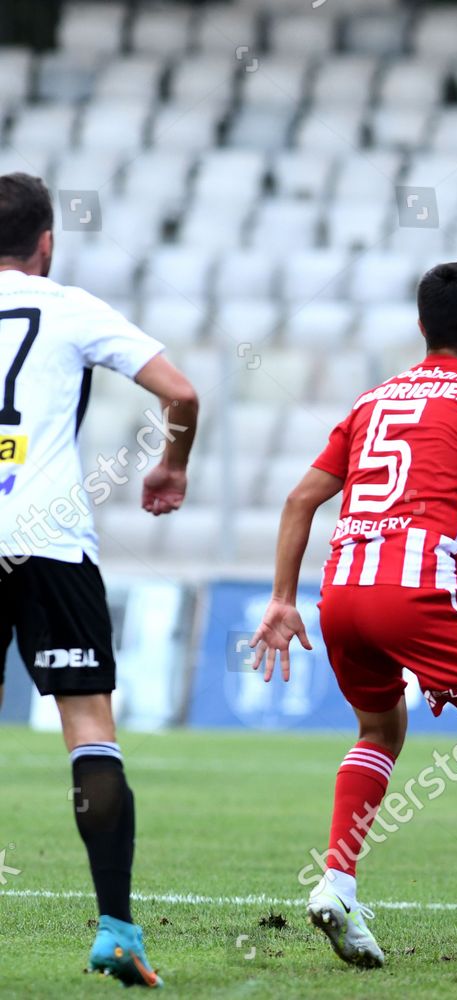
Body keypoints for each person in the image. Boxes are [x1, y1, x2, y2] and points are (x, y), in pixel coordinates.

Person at [249, 261, 457, 970]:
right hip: (418, 587)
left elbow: (298, 501)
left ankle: (336, 883)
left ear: (421, 327)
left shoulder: (372, 401)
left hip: (341, 591)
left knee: (379, 727)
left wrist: (282, 598)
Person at [0, 172, 199, 987]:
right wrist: (170, 466)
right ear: (46, 242)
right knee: (90, 733)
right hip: (47, 539)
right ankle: (116, 926)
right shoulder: (67, 305)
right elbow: (180, 392)